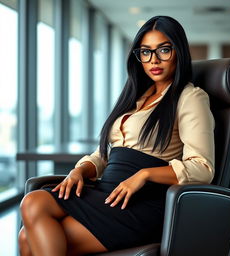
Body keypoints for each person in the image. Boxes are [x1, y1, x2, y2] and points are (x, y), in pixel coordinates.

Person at [18, 15, 215, 256]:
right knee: (31, 213)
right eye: (145, 52)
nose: (154, 60)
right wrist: (80, 170)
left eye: (164, 50)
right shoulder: (137, 98)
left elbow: (203, 168)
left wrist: (143, 175)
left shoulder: (190, 98)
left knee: (29, 232)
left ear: (179, 51)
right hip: (108, 192)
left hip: (142, 203)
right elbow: (107, 154)